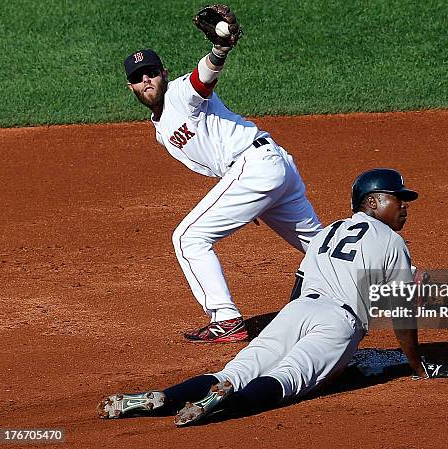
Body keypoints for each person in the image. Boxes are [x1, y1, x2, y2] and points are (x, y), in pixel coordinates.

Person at [97, 168, 448, 427]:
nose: (405, 205)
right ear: (372, 202)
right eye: (398, 198)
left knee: (234, 371)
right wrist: (418, 369)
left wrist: (285, 325)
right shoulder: (391, 241)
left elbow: (299, 281)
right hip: (337, 322)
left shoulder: (326, 233)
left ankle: (164, 396)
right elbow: (401, 311)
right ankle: (225, 404)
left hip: (296, 311)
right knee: (289, 379)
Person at [122, 10, 322, 343]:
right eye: (139, 77)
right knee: (320, 246)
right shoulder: (160, 129)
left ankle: (225, 320)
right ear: (130, 85)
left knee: (188, 239)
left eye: (152, 73)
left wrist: (219, 49)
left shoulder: (181, 93)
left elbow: (204, 79)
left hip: (255, 167)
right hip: (268, 169)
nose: (147, 81)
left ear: (164, 74)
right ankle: (406, 288)